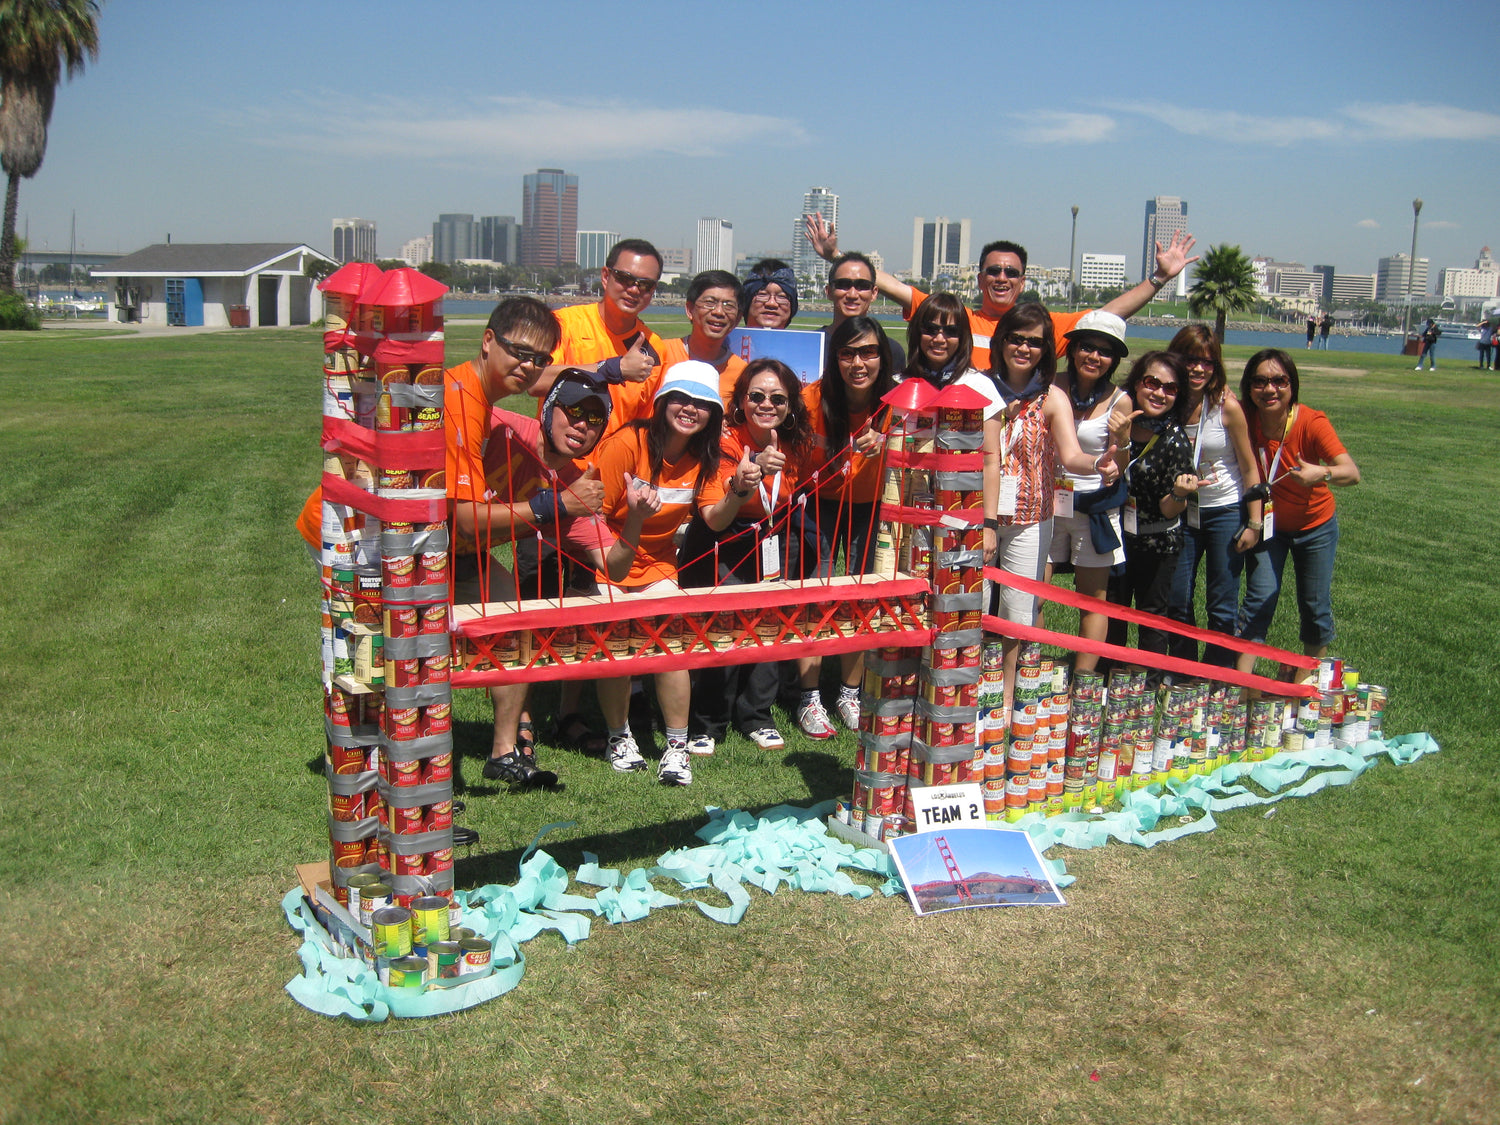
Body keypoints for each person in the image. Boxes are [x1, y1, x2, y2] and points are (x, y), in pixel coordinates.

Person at [589, 361, 763, 784]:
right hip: (608, 559)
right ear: (663, 400)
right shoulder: (627, 444)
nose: (689, 408)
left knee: (671, 646)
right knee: (617, 651)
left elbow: (715, 519)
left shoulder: (705, 456)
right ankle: (619, 737)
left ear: (713, 413)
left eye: (701, 403)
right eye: (681, 398)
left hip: (660, 563)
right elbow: (591, 516)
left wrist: (739, 489)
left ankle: (676, 746)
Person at [476, 372, 650, 781]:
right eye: (572, 411)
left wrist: (636, 521)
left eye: (594, 420)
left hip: (463, 551)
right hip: (400, 535)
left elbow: (615, 566)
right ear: (548, 408)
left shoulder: (576, 486)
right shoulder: (500, 427)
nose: (581, 425)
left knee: (517, 622)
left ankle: (507, 750)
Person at [803, 212, 1198, 370]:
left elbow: (1108, 316)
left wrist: (1158, 278)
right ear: (980, 278)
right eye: (993, 270)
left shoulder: (1039, 328)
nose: (1002, 278)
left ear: (1023, 282)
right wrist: (837, 255)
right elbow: (888, 286)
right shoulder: (953, 320)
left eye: (1011, 272)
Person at [974, 304, 1125, 712]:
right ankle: (969, 686)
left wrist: (1097, 464)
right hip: (977, 516)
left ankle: (1006, 695)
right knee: (973, 606)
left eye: (1035, 342)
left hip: (1029, 517)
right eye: (1016, 339)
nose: (1024, 348)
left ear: (1046, 350)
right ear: (1001, 341)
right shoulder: (977, 386)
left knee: (1018, 611)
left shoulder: (1051, 397)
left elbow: (1071, 455)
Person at [680, 359, 818, 752]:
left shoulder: (798, 442)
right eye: (756, 395)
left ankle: (757, 713)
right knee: (723, 629)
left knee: (770, 625)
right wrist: (743, 480)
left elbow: (822, 471)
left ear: (790, 405)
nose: (766, 403)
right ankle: (708, 721)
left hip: (774, 536)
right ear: (741, 400)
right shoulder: (722, 439)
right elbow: (714, 515)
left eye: (778, 397)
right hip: (724, 537)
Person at [793, 316, 897, 735]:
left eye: (868, 352)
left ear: (882, 357)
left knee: (861, 598)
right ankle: (809, 698)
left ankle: (850, 693)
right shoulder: (811, 398)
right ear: (834, 358)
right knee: (813, 597)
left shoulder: (896, 401)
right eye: (847, 353)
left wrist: (889, 442)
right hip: (818, 507)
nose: (858, 362)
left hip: (869, 508)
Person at [1236, 349, 1361, 680]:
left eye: (1280, 381)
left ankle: (1311, 683)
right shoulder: (1245, 420)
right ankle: (1242, 682)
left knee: (1315, 606)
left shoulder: (1311, 422)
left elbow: (1351, 472)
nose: (1270, 389)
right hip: (1268, 525)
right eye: (1260, 381)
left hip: (1314, 526)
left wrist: (1322, 473)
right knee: (1259, 598)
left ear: (1292, 386)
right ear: (1249, 387)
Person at [1163, 324, 1264, 668]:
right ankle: (1184, 671)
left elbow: (1250, 468)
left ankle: (1216, 675)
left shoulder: (1225, 407)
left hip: (1225, 509)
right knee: (1178, 597)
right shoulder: (1166, 401)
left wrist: (1254, 521)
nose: (1198, 369)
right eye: (1191, 360)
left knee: (1222, 601)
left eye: (1207, 362)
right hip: (1180, 511)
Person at [1046, 310, 1134, 673]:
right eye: (1086, 347)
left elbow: (1120, 464)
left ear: (1114, 359)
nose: (1094, 357)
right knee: (1033, 592)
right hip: (1047, 504)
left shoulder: (1120, 401)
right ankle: (1025, 671)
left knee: (1093, 599)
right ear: (1072, 349)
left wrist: (1124, 441)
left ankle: (1082, 680)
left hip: (1093, 509)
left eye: (1104, 351)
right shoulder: (1050, 383)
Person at [1105, 352, 1199, 678]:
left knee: (1151, 614)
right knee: (1112, 610)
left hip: (1157, 540)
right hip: (1115, 534)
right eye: (1152, 383)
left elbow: (1169, 508)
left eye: (1170, 388)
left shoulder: (1175, 440)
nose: (1160, 393)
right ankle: (1107, 676)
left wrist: (1180, 494)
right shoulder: (1117, 421)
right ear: (1137, 383)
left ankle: (1151, 684)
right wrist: (1120, 440)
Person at [531, 238, 666, 405]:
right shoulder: (564, 323)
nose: (634, 289)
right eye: (625, 278)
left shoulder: (654, 348)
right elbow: (535, 381)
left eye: (645, 284)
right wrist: (612, 369)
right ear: (605, 276)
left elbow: (645, 421)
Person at [823, 250, 905, 371]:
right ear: (829, 291)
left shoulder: (891, 351)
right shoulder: (810, 345)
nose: (852, 294)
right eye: (843, 284)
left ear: (874, 293)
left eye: (862, 286)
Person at [904, 291, 976, 388]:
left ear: (962, 337)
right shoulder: (897, 384)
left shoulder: (979, 386)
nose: (939, 339)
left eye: (951, 330)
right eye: (930, 328)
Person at [740, 259, 798, 329]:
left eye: (781, 296)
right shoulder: (727, 339)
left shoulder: (809, 339)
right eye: (762, 295)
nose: (772, 303)